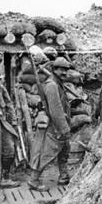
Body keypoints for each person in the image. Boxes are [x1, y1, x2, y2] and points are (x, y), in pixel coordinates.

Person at [28, 57, 73, 191]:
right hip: (54, 126)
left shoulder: (57, 83)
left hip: (59, 124)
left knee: (64, 149)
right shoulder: (52, 85)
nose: (64, 73)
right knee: (47, 153)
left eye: (66, 70)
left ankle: (63, 176)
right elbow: (55, 110)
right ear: (54, 70)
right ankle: (33, 180)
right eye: (61, 70)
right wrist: (64, 128)